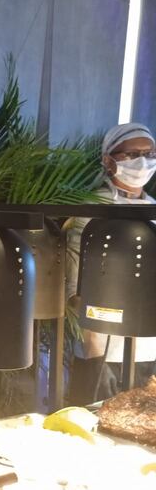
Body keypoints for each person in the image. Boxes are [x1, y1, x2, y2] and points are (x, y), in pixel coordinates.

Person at [66, 122, 156, 405]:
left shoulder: (153, 208)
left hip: (150, 349)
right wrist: (94, 351)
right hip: (104, 351)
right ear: (108, 160)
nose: (142, 161)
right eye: (131, 155)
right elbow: (74, 285)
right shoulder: (89, 209)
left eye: (149, 153)